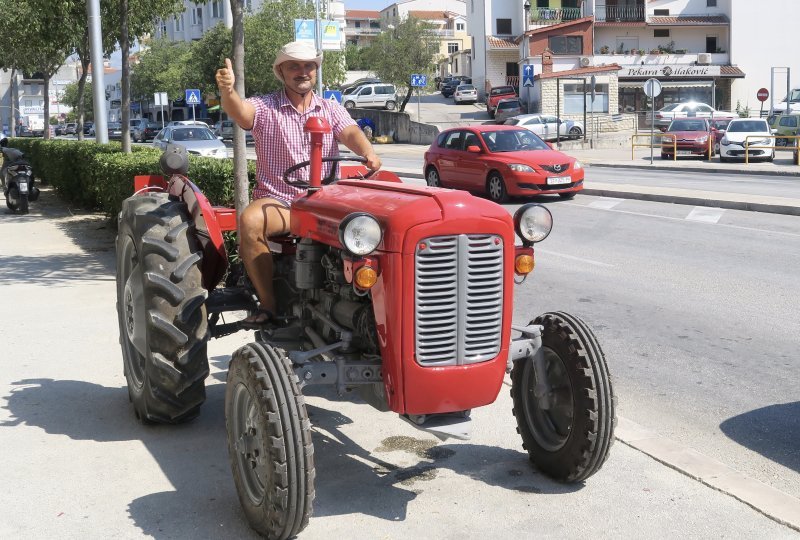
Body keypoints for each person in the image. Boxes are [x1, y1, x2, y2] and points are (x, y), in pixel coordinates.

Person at [215, 40, 382, 325]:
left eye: (308, 66)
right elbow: (240, 112)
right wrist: (228, 91)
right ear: (281, 71)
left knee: (376, 225)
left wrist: (367, 152)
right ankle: (269, 305)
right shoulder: (266, 107)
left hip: (325, 203)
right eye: (294, 66)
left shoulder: (330, 108)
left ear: (316, 71)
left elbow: (350, 131)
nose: (302, 72)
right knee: (251, 221)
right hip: (281, 201)